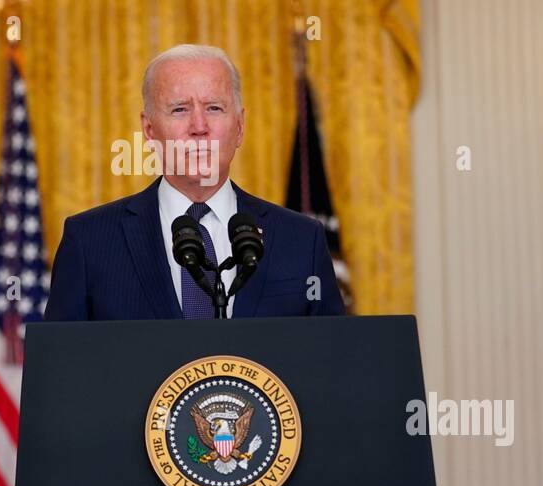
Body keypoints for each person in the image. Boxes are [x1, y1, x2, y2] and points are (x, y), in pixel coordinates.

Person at [44, 44, 345, 321]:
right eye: (180, 109)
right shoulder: (89, 242)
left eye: (214, 108)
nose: (199, 127)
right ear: (149, 129)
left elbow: (333, 365)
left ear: (239, 127)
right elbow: (60, 370)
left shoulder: (303, 240)